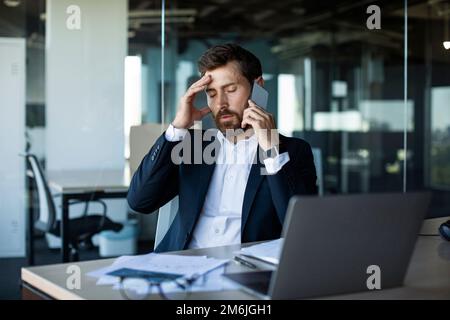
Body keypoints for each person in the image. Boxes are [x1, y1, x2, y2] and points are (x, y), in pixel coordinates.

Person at [127, 43, 317, 252]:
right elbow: (140, 201)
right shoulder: (193, 146)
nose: (221, 103)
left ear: (259, 87)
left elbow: (302, 228)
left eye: (231, 89)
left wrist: (270, 150)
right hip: (181, 264)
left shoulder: (293, 150)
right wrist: (178, 128)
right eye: (212, 93)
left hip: (246, 270)